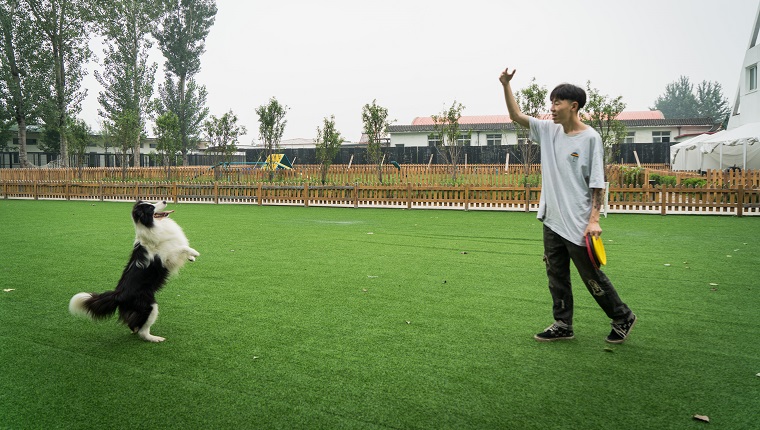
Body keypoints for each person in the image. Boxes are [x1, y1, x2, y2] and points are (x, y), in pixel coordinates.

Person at [499, 67, 636, 343]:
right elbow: (516, 116)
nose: (552, 107)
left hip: (578, 222)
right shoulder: (549, 130)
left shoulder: (590, 138)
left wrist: (594, 219)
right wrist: (505, 85)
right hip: (551, 219)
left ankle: (622, 316)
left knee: (591, 276)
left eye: (557, 102)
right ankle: (563, 324)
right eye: (551, 102)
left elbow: (597, 182)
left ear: (573, 106)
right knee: (556, 275)